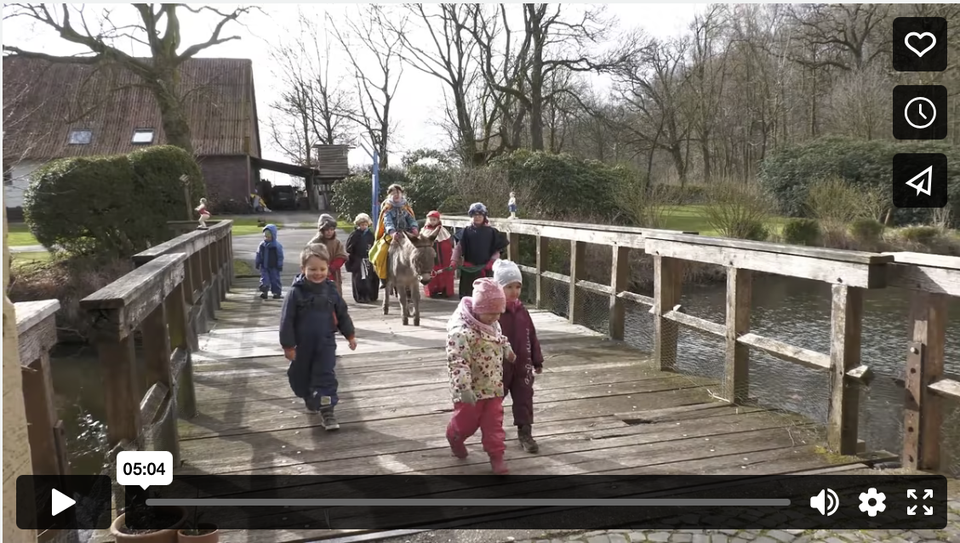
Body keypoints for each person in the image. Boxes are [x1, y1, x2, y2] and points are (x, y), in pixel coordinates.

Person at [280, 243, 358, 431]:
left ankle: (327, 410)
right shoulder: (295, 293)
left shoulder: (331, 290)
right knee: (301, 375)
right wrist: (288, 346)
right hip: (303, 345)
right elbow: (286, 320)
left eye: (322, 269)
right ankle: (309, 395)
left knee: (325, 375)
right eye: (312, 269)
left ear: (328, 269)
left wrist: (350, 335)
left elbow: (342, 314)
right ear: (303, 269)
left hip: (325, 342)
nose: (318, 273)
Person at [446, 278, 517, 474]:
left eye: (498, 313)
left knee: (494, 424)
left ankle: (497, 457)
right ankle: (454, 437)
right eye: (491, 313)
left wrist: (507, 348)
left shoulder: (493, 323)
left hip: (493, 386)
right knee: (465, 425)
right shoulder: (461, 332)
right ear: (478, 308)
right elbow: (457, 360)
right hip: (471, 389)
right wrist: (464, 388)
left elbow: (498, 337)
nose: (495, 318)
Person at [493, 259, 544, 453]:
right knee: (495, 402)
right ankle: (493, 433)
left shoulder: (523, 311)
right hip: (499, 366)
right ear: (498, 288)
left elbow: (532, 335)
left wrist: (537, 360)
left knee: (524, 399)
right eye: (508, 287)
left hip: (523, 365)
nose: (514, 291)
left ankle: (525, 433)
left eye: (518, 287)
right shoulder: (494, 313)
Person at [451, 202, 506, 298]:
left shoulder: (492, 232)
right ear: (471, 216)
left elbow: (497, 250)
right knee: (467, 295)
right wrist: (454, 261)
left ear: (484, 216)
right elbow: (458, 248)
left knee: (486, 295)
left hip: (486, 268)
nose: (477, 217)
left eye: (480, 215)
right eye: (474, 215)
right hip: (469, 268)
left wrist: (492, 262)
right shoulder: (465, 231)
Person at [370, 184, 418, 288]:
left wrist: (414, 227)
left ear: (402, 194)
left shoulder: (406, 207)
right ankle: (383, 277)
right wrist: (392, 232)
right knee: (382, 252)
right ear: (389, 195)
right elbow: (387, 222)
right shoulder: (387, 208)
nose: (396, 195)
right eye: (393, 193)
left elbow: (411, 219)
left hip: (406, 234)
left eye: (398, 193)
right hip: (392, 235)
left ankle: (419, 272)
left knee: (420, 248)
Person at [309, 214, 349, 295]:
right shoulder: (314, 243)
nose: (329, 232)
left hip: (333, 274)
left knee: (334, 295)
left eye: (332, 229)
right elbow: (309, 259)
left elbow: (341, 256)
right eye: (326, 230)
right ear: (321, 230)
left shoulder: (337, 243)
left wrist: (331, 268)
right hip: (318, 274)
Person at [345, 213, 378, 303]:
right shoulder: (355, 234)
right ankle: (360, 296)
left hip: (369, 260)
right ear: (358, 225)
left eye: (365, 224)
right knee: (359, 279)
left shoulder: (370, 235)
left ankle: (370, 296)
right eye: (362, 225)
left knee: (369, 278)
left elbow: (374, 245)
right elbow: (349, 247)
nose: (364, 226)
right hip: (358, 260)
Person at [422, 210, 455, 299]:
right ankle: (432, 290)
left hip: (442, 256)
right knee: (431, 271)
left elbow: (447, 245)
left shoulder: (442, 230)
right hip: (431, 257)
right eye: (431, 220)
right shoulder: (425, 230)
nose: (432, 222)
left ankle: (445, 290)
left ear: (438, 220)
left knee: (444, 271)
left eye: (434, 220)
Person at [255, 224, 284, 299]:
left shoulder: (277, 246)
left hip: (274, 266)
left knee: (275, 279)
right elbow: (258, 254)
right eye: (265, 236)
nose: (267, 238)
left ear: (273, 236)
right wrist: (257, 262)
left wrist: (279, 264)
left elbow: (280, 256)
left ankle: (277, 292)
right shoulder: (262, 245)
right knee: (264, 279)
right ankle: (264, 291)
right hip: (264, 266)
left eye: (269, 237)